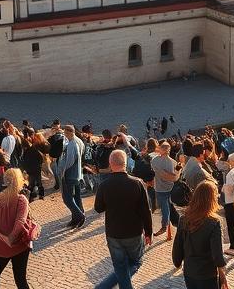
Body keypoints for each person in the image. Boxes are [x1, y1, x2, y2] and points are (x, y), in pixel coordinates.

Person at [93, 149, 152, 289]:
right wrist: (149, 232)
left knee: (120, 266)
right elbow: (146, 211)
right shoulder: (137, 183)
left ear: (110, 164)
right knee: (135, 262)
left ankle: (102, 287)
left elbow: (98, 208)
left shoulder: (104, 185)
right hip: (134, 232)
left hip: (113, 233)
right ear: (126, 164)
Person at [0, 168, 33, 289]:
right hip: (19, 246)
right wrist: (11, 238)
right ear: (19, 181)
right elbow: (20, 222)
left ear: (5, 181)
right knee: (20, 280)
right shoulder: (21, 200)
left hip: (0, 246)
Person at [172, 180, 228, 289]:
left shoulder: (184, 219)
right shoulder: (213, 222)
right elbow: (217, 254)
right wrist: (222, 275)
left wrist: (177, 261)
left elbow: (178, 245)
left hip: (189, 271)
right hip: (207, 273)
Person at [57, 124, 86, 228]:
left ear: (68, 132)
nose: (64, 134)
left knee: (67, 198)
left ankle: (80, 215)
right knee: (77, 197)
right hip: (78, 174)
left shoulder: (71, 144)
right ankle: (76, 219)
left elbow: (69, 161)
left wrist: (63, 171)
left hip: (70, 175)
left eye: (65, 132)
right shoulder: (79, 141)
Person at [152, 140, 180, 240]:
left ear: (160, 149)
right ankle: (175, 224)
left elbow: (154, 171)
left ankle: (165, 226)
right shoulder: (174, 162)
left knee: (165, 207)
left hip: (159, 187)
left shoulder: (155, 161)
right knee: (168, 205)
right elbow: (176, 177)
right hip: (170, 187)